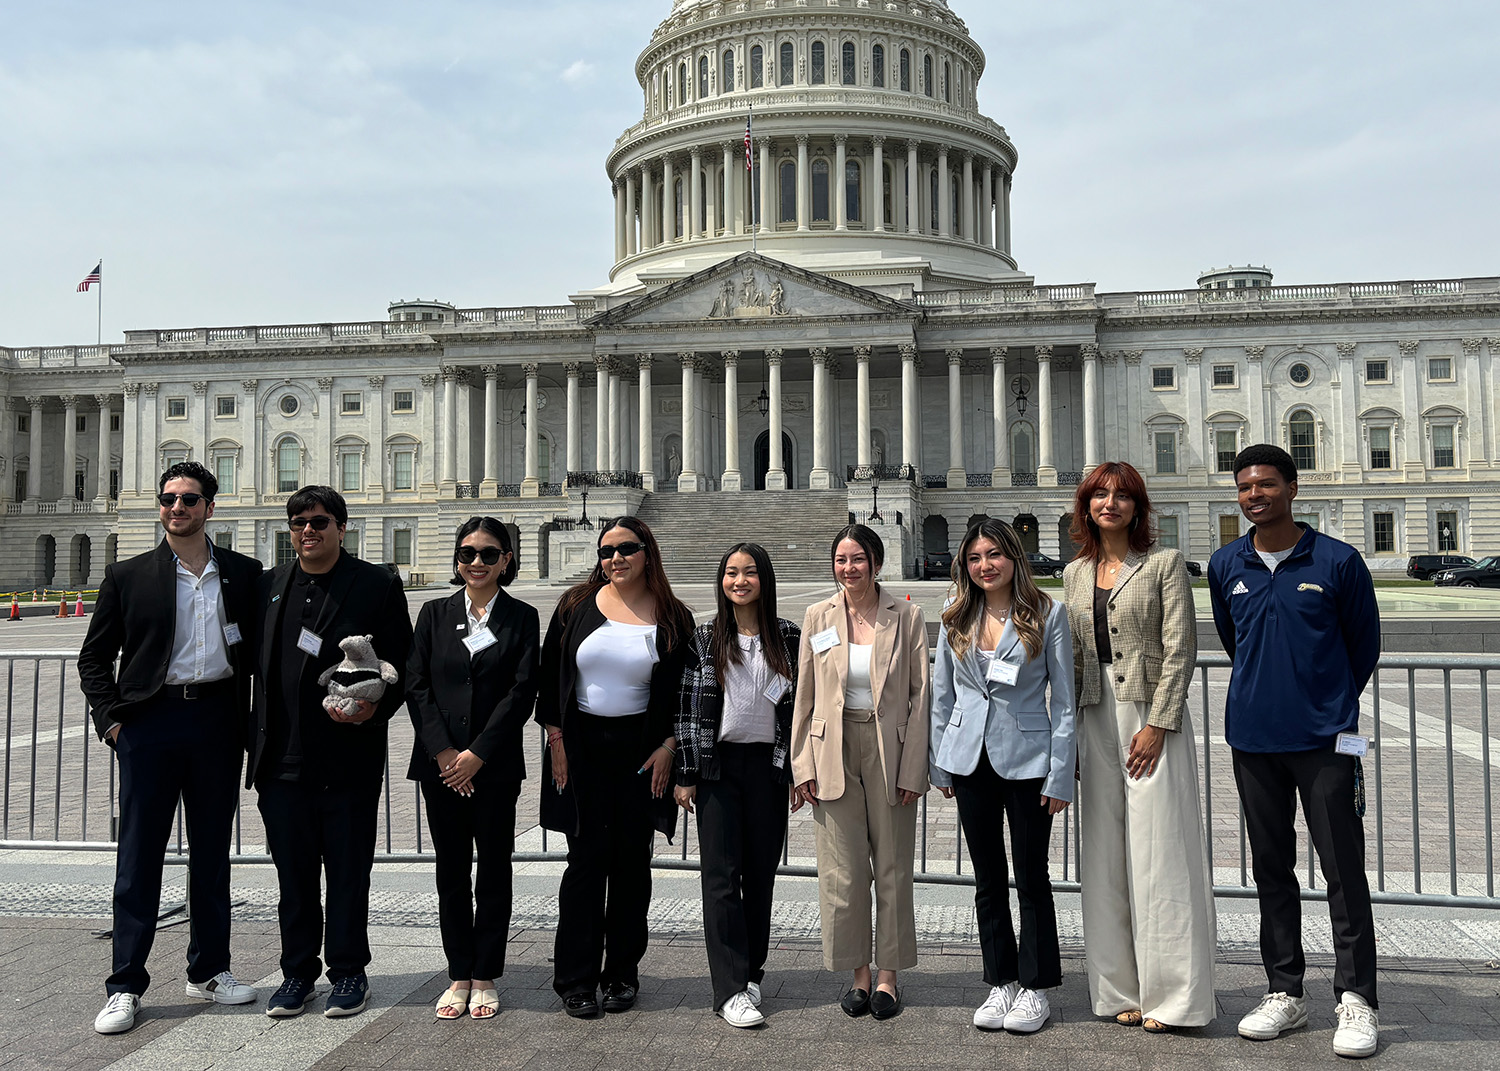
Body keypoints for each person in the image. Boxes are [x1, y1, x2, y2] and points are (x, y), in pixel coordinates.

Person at [1209, 444, 1381, 1059]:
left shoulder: (1337, 561)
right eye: (1245, 487)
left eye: (1266, 485)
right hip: (1253, 740)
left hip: (1327, 742)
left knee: (1342, 871)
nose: (1254, 495)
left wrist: (1327, 703)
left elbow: (1363, 646)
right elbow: (1236, 643)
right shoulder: (1226, 564)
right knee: (1271, 871)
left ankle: (1357, 998)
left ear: (1293, 488)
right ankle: (1285, 990)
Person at [79, 462, 263, 1034]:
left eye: (188, 499)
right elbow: (94, 658)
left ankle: (209, 970)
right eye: (168, 499)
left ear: (211, 506)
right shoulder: (128, 575)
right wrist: (112, 722)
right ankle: (125, 984)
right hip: (150, 725)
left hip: (215, 720)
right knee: (139, 860)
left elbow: (264, 647)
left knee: (212, 857)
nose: (176, 507)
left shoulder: (242, 573)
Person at [1062, 463, 1216, 1033]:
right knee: (1103, 854)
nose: (1111, 503)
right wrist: (1068, 737)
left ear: (1139, 507)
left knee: (1161, 853)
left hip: (1149, 716)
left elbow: (1181, 649)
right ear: (1086, 506)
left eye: (1123, 495)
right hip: (1093, 712)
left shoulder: (1164, 564)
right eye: (1100, 495)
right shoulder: (1076, 573)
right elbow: (1070, 657)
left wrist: (1159, 722)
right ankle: (1117, 988)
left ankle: (1174, 995)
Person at [249, 486, 412, 1019]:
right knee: (293, 879)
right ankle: (297, 972)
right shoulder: (270, 584)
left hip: (348, 758)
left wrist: (374, 712)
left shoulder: (376, 584)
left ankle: (347, 972)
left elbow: (404, 667)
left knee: (346, 875)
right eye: (297, 522)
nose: (307, 530)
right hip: (282, 762)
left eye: (318, 521)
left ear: (342, 527)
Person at [537, 516, 695, 1018]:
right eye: (607, 550)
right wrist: (556, 737)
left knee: (631, 866)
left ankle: (622, 974)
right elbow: (550, 678)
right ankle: (576, 979)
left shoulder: (673, 615)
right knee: (584, 864)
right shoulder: (575, 605)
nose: (615, 558)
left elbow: (686, 693)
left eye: (627, 548)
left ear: (649, 552)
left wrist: (670, 745)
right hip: (580, 744)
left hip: (642, 750)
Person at [930, 519, 1074, 1034]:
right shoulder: (955, 617)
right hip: (970, 760)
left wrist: (1061, 774)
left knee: (1032, 876)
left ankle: (1035, 987)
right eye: (974, 558)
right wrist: (939, 760)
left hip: (1028, 759)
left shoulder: (1047, 615)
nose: (984, 565)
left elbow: (1065, 702)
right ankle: (1001, 980)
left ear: (1013, 558)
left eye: (993, 554)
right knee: (988, 880)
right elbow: (942, 697)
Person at [790, 524, 929, 1021]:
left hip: (887, 748)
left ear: (876, 561)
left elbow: (920, 695)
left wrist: (915, 766)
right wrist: (800, 764)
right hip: (833, 747)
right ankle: (857, 974)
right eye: (841, 559)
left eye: (858, 559)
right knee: (842, 872)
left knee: (891, 868)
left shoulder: (906, 615)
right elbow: (804, 693)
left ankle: (889, 975)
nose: (849, 568)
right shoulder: (818, 615)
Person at [405, 517, 539, 1021]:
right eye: (467, 554)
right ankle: (459, 972)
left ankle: (486, 973)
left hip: (494, 765)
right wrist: (444, 753)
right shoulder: (434, 613)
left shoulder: (522, 617)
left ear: (507, 559)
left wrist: (477, 754)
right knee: (451, 872)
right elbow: (417, 684)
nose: (476, 563)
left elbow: (522, 690)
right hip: (441, 768)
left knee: (495, 870)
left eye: (487, 554)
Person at [674, 543, 801, 1028]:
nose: (739, 581)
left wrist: (792, 769)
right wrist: (686, 773)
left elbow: (798, 708)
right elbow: (686, 709)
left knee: (761, 875)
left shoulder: (786, 635)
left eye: (749, 573)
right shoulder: (704, 637)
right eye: (731, 572)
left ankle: (750, 974)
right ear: (721, 580)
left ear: (764, 580)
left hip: (766, 767)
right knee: (722, 877)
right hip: (717, 765)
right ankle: (728, 988)